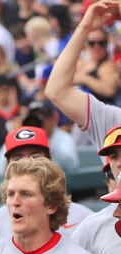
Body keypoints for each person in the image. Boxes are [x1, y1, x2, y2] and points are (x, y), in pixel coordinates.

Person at [45, 0, 121, 145]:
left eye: (101, 43)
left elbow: (108, 90)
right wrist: (85, 28)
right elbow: (55, 92)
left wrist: (84, 78)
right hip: (79, 116)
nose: (97, 47)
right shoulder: (113, 120)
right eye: (92, 43)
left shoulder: (107, 67)